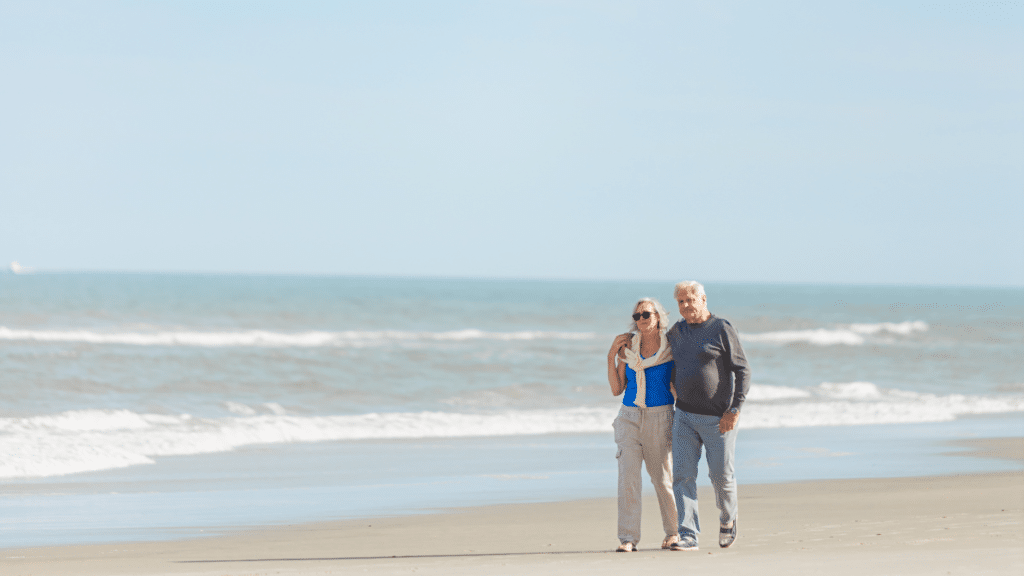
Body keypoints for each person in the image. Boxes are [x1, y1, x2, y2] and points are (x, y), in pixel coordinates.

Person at [667, 281, 751, 551]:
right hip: (684, 417)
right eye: (680, 302)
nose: (685, 306)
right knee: (682, 476)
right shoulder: (677, 331)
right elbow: (667, 359)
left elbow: (743, 370)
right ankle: (688, 533)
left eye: (690, 300)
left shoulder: (721, 328)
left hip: (719, 419)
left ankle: (728, 519)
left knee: (720, 476)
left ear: (703, 299)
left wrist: (735, 409)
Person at [606, 298, 679, 552]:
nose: (641, 320)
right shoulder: (628, 347)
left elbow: (680, 384)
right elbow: (617, 389)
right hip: (629, 417)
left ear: (658, 316)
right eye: (637, 316)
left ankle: (673, 533)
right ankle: (628, 538)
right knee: (628, 478)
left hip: (660, 417)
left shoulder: (672, 346)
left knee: (662, 479)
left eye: (646, 314)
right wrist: (611, 357)